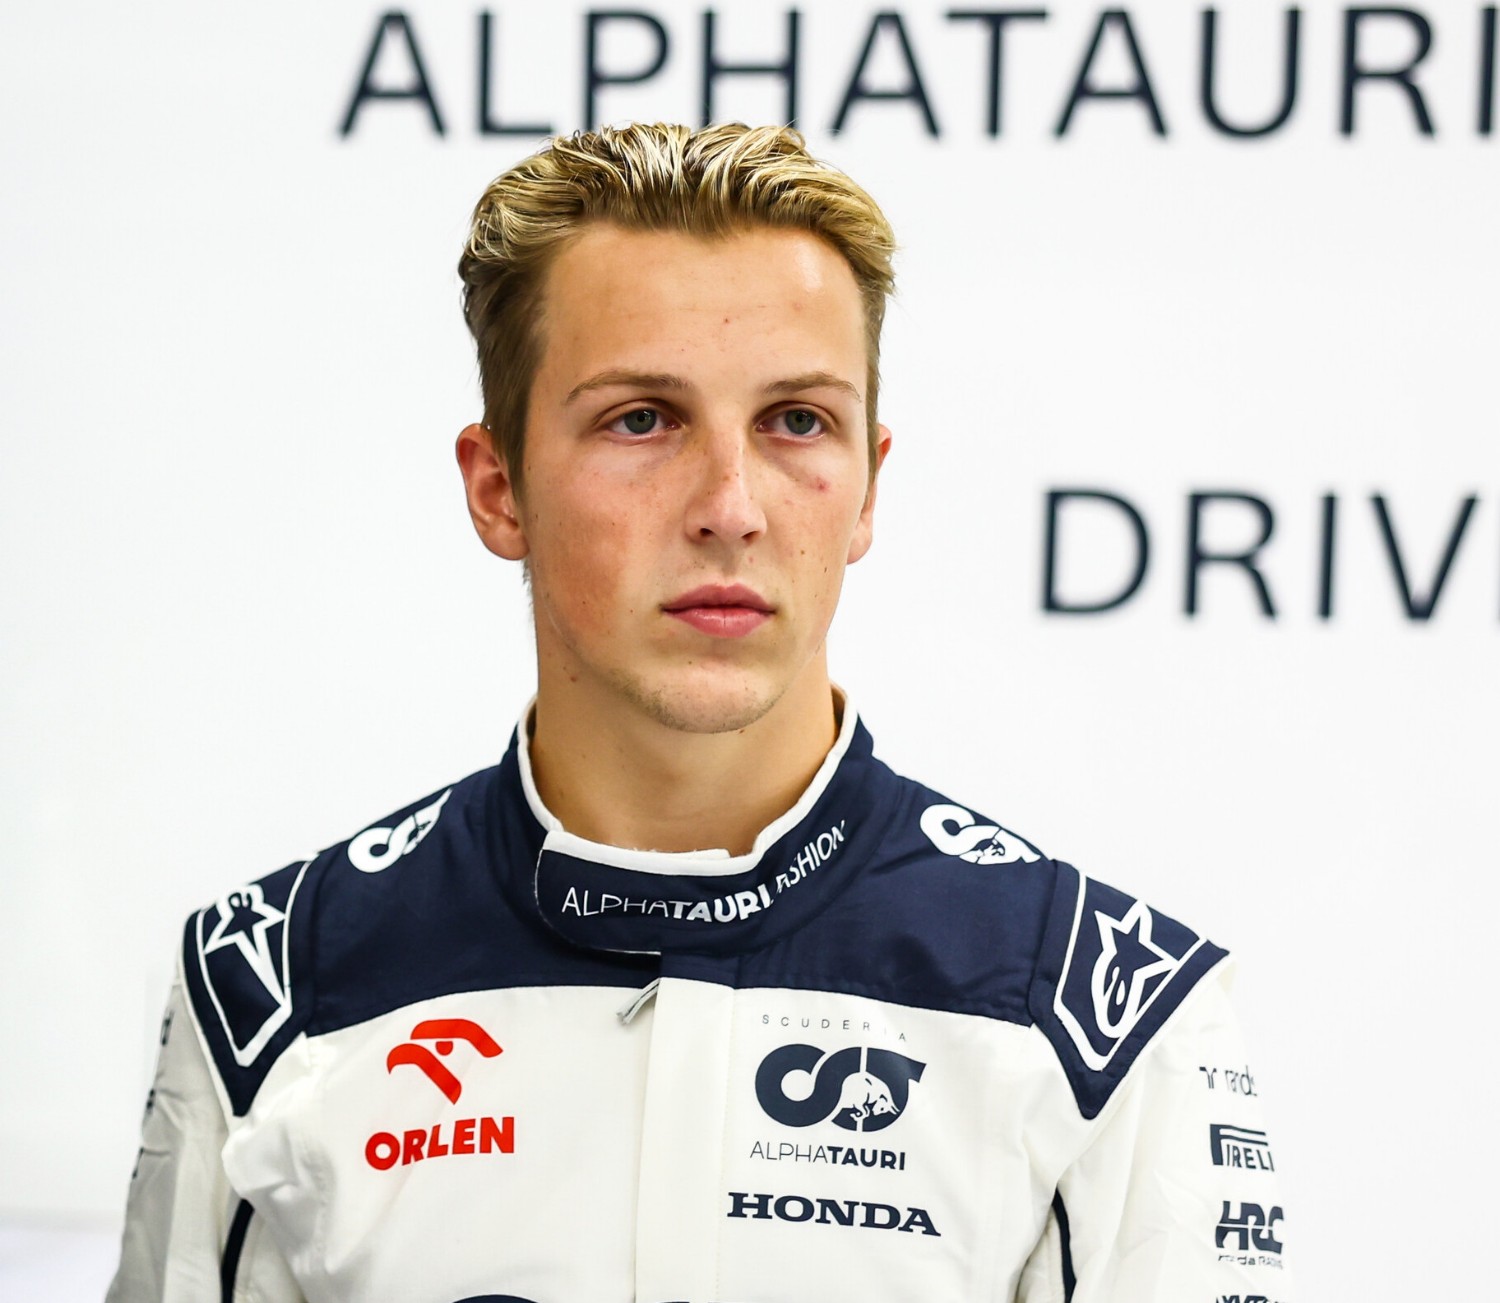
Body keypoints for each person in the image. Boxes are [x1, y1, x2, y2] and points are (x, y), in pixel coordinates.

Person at [107, 123, 1290, 1302]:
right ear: (499, 485)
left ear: (868, 485)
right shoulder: (275, 988)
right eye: (641, 419)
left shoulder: (1104, 1018)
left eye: (795, 422)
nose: (731, 507)